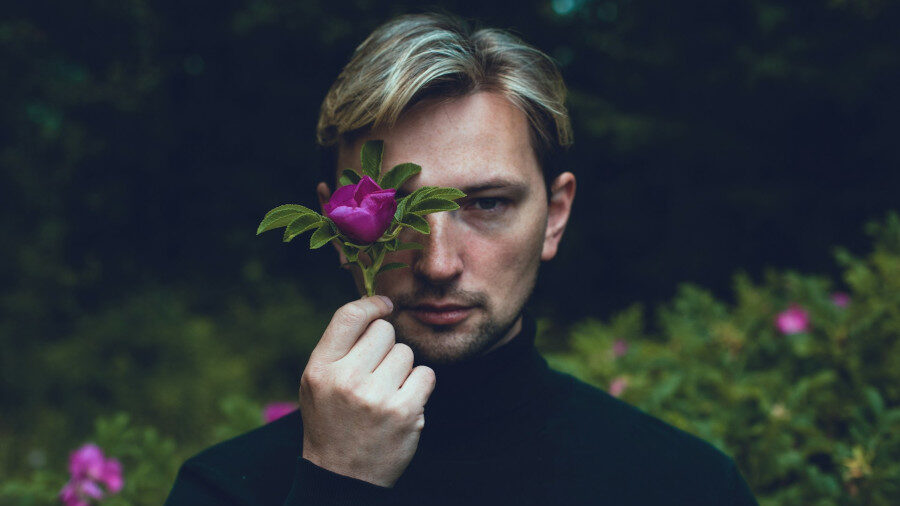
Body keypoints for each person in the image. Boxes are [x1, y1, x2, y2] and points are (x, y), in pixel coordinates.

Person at [165, 11, 757, 506]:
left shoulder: (687, 486)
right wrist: (337, 487)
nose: (439, 263)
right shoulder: (222, 491)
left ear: (554, 216)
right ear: (335, 225)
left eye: (487, 204)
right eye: (395, 211)